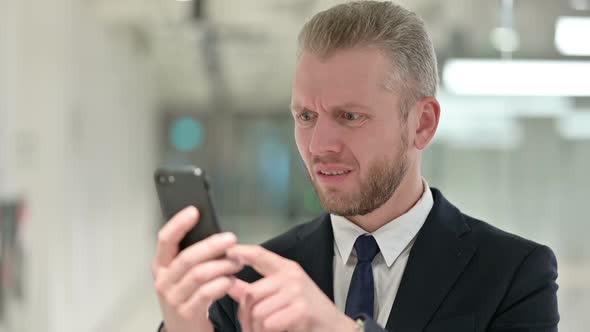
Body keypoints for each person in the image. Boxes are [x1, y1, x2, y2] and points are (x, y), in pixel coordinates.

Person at [152, 1, 559, 331]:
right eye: (306, 116)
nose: (319, 146)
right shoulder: (253, 280)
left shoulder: (513, 275)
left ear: (422, 124)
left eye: (350, 116)